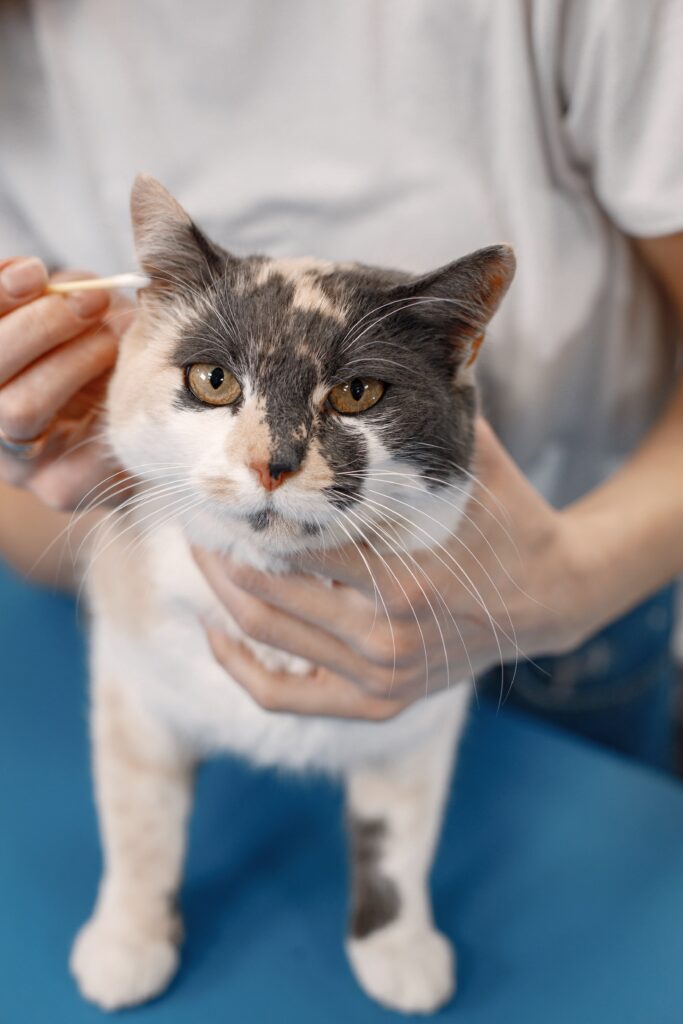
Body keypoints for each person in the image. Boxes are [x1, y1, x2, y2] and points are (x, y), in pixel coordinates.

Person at [1, 1, 682, 766]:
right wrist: (91, 453)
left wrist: (573, 583)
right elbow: (34, 528)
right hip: (198, 603)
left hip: (580, 577)